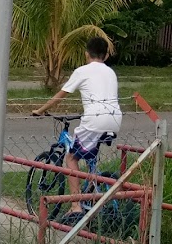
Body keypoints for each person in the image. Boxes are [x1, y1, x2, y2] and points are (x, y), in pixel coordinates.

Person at [31, 35, 122, 198]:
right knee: (90, 153)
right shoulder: (111, 73)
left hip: (96, 119)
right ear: (106, 55)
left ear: (87, 54)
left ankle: (76, 204)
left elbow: (60, 95)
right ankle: (93, 191)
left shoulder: (82, 71)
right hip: (115, 119)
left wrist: (40, 110)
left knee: (71, 158)